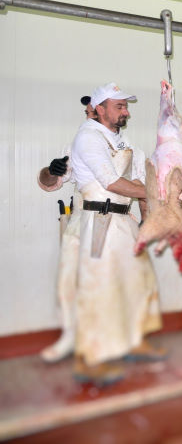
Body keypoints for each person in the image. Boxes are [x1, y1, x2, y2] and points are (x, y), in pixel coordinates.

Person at [70, 82, 163, 385]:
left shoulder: (122, 142)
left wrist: (147, 218)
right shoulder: (88, 136)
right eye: (120, 106)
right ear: (100, 109)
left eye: (126, 106)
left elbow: (137, 182)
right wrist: (155, 191)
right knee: (99, 287)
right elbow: (110, 182)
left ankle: (134, 341)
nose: (126, 112)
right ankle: (89, 360)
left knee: (138, 280)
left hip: (123, 219)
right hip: (99, 218)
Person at [36, 96, 96, 363]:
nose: (88, 117)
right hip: (81, 218)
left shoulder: (125, 147)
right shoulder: (77, 147)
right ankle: (70, 336)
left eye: (93, 112)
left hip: (113, 222)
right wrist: (52, 170)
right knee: (69, 280)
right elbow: (50, 182)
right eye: (87, 113)